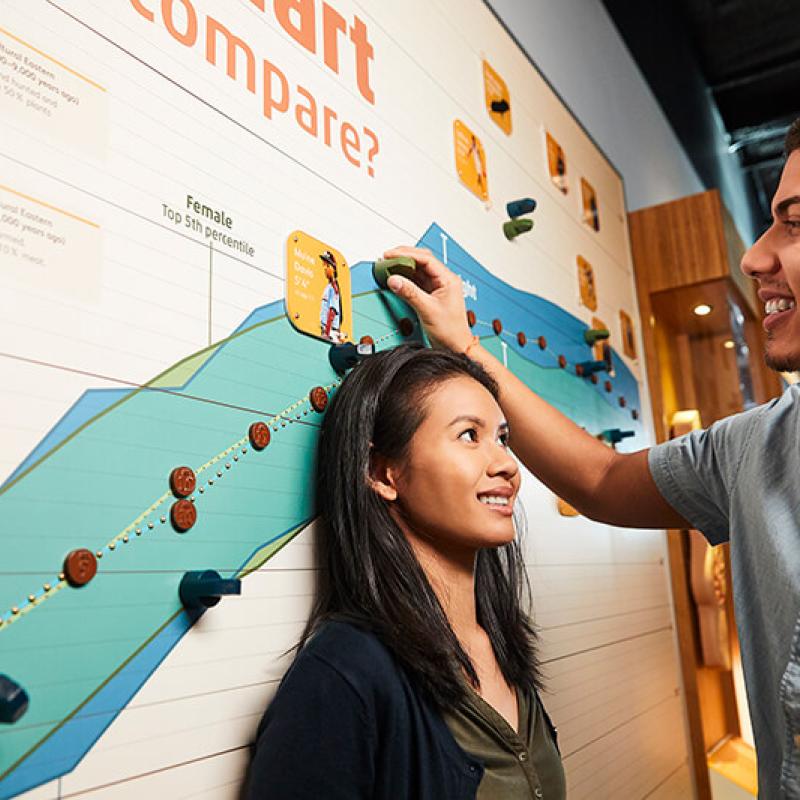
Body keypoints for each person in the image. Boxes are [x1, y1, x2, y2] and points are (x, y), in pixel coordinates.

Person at [381, 120, 800, 799]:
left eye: (796, 223)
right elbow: (602, 480)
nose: (754, 258)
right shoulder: (752, 447)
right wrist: (466, 348)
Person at [246, 346, 565, 799]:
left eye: (503, 437)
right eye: (470, 435)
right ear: (383, 472)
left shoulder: (501, 643)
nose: (507, 465)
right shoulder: (341, 675)